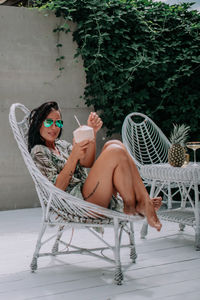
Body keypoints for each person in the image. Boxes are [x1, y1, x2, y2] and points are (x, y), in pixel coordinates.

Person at [28, 101, 162, 231]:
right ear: (39, 123)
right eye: (48, 122)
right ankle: (141, 203)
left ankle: (139, 202)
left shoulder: (61, 145)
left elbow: (87, 163)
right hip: (77, 204)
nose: (54, 127)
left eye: (58, 122)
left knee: (114, 144)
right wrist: (73, 157)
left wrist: (92, 133)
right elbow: (56, 189)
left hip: (89, 193)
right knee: (115, 151)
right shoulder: (39, 151)